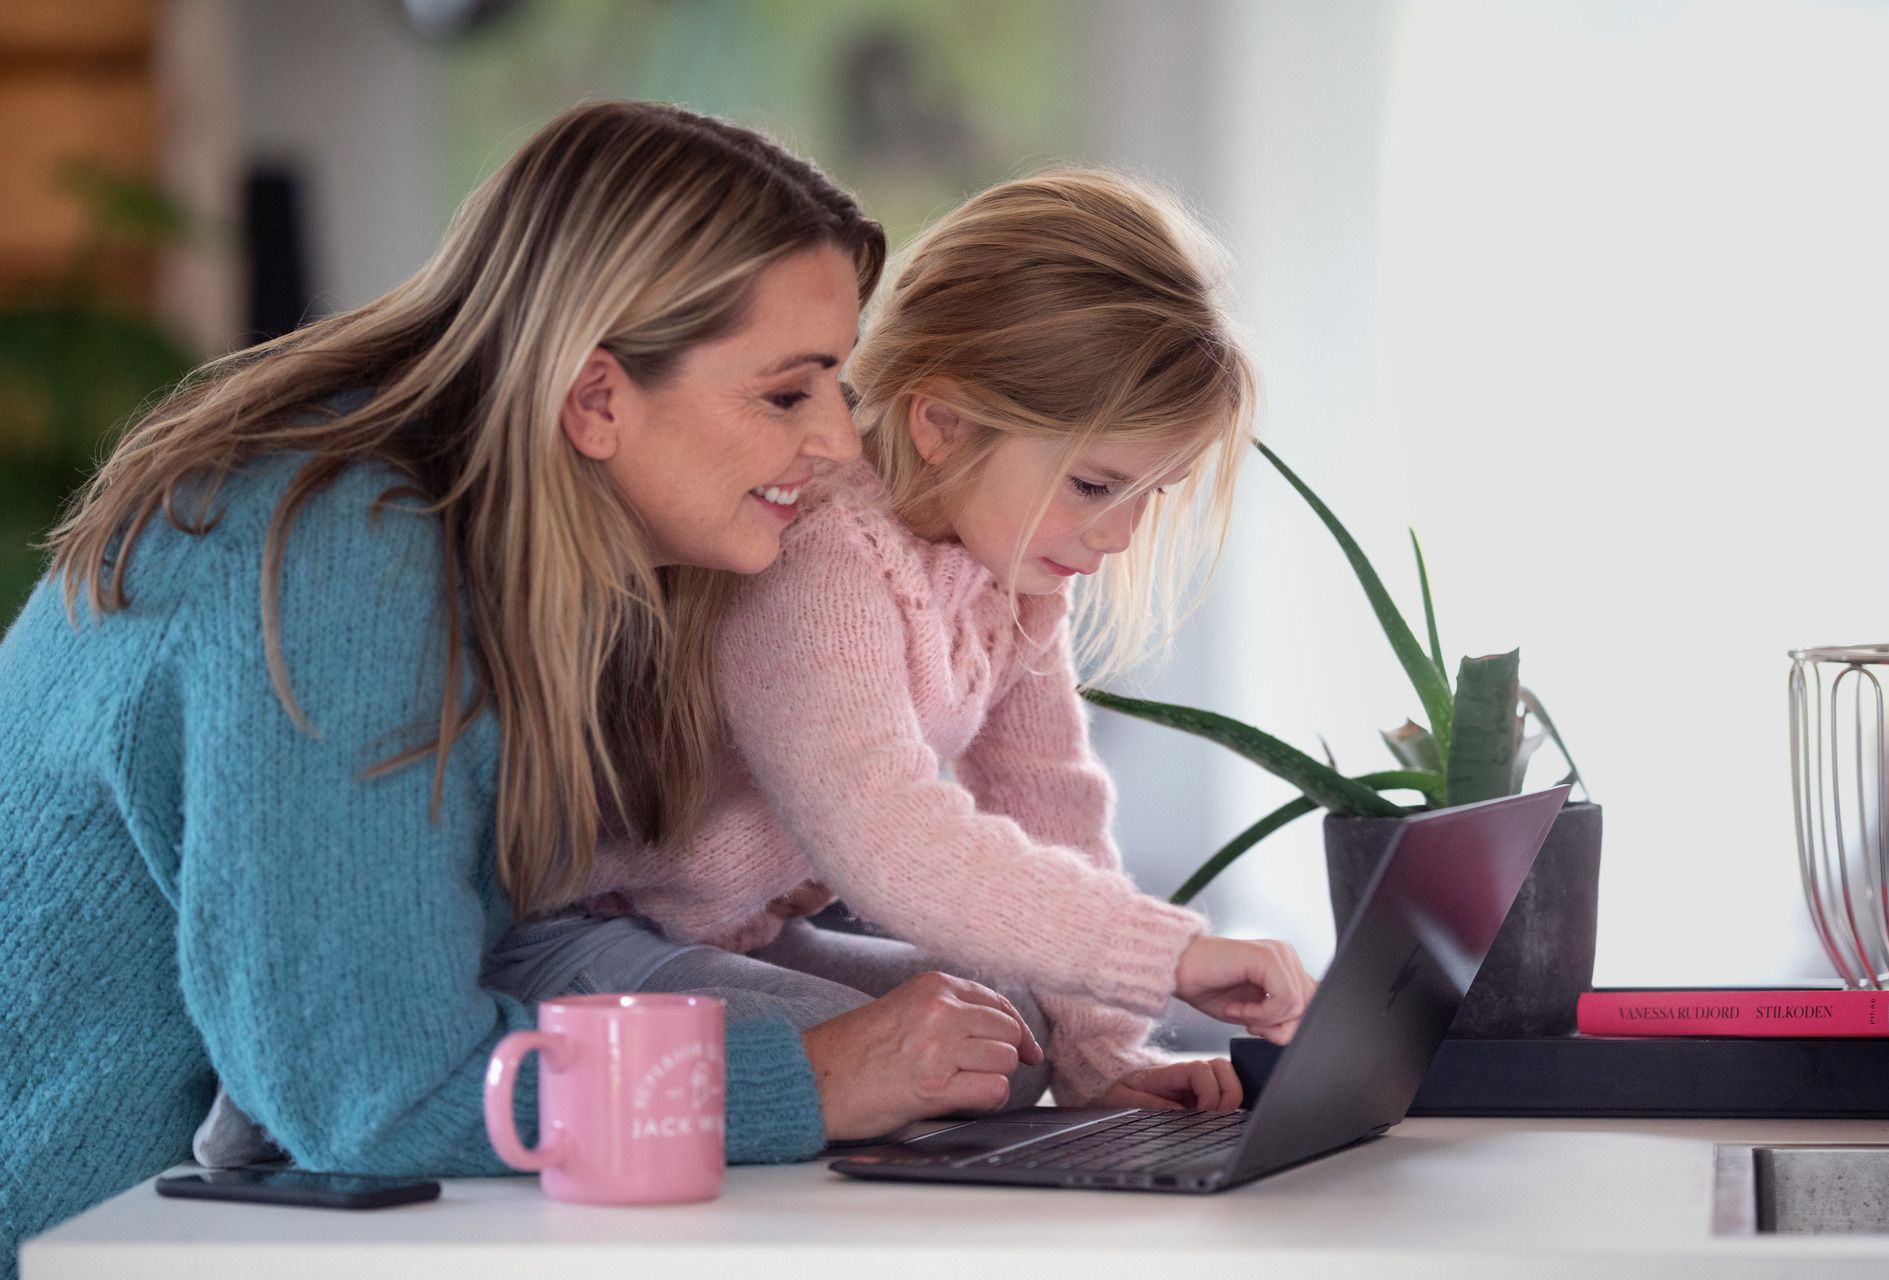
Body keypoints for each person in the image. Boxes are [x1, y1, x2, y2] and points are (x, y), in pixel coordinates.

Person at [0, 102, 1042, 1279]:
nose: (842, 448)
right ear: (596, 398)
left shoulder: (504, 548)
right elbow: (375, 1090)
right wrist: (817, 1078)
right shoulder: (345, 552)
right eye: (788, 393)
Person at [509, 169, 1319, 1114]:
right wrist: (1168, 954)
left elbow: (1050, 808)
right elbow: (885, 833)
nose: (1121, 535)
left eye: (1153, 495)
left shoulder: (1009, 580)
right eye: (1098, 487)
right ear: (943, 423)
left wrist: (1103, 1059)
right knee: (966, 1071)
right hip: (586, 944)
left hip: (731, 936)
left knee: (1012, 1035)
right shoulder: (824, 556)